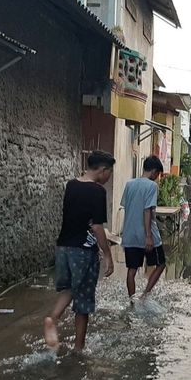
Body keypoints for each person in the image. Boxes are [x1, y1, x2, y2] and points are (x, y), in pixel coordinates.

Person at [44, 150, 115, 352]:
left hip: (63, 247)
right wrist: (108, 254)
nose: (108, 178)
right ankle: (78, 349)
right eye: (109, 173)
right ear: (103, 170)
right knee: (83, 301)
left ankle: (52, 318)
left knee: (70, 289)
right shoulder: (98, 191)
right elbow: (97, 227)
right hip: (83, 251)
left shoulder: (72, 185)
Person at [121, 155, 166, 299]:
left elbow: (126, 206)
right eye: (157, 174)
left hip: (129, 234)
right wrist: (148, 236)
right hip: (148, 234)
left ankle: (131, 301)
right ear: (153, 171)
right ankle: (144, 295)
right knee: (160, 264)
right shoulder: (152, 186)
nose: (157, 177)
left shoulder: (129, 184)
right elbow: (147, 210)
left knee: (131, 270)